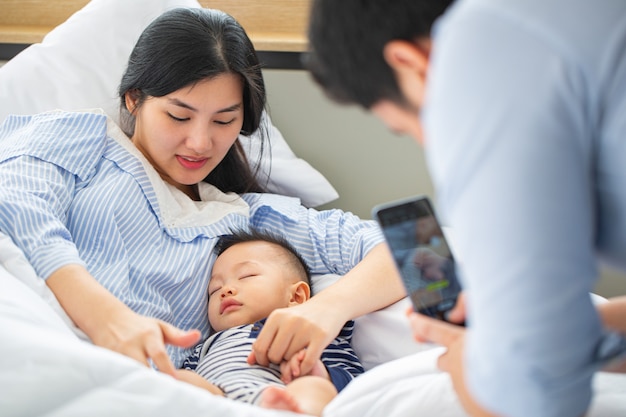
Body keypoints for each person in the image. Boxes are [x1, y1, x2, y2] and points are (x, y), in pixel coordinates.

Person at [0, 7, 405, 380]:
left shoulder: (244, 222)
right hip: (36, 349)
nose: (199, 142)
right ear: (134, 98)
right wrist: (105, 317)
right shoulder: (85, 139)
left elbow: (419, 245)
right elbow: (16, 204)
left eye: (224, 120)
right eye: (179, 115)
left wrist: (327, 308)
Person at [305, 1, 626, 417]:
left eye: (408, 128)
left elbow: (540, 403)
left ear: (410, 64)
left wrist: (464, 367)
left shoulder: (480, 56)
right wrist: (586, 325)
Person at [176, 228, 363, 416]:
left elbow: (356, 383)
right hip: (217, 401)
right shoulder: (207, 345)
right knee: (182, 379)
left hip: (281, 395)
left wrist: (323, 375)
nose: (226, 290)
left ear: (296, 296)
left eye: (246, 276)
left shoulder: (308, 330)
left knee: (314, 388)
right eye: (214, 289)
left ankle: (298, 411)